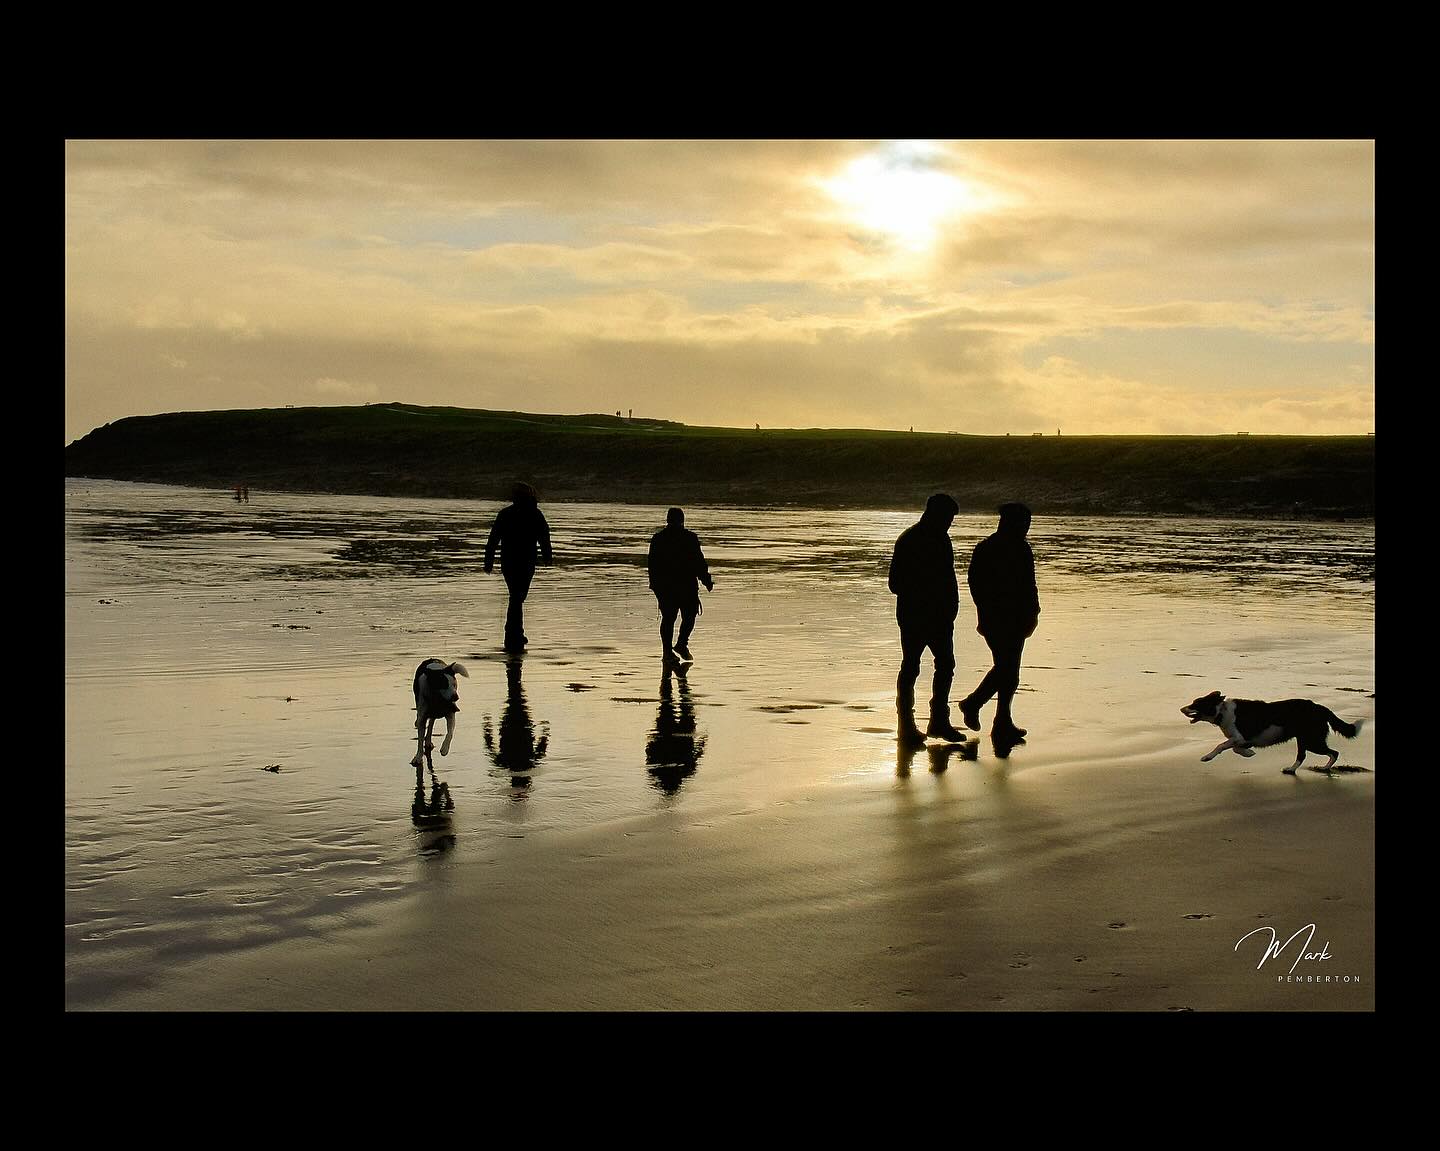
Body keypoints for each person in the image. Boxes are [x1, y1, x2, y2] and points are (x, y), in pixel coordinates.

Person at [889, 493, 967, 745]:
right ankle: (907, 724)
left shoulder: (940, 539)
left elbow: (948, 578)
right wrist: (925, 592)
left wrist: (951, 606)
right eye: (947, 518)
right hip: (915, 615)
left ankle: (937, 721)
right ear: (934, 513)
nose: (948, 524)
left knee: (944, 664)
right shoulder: (910, 540)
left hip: (939, 616)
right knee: (912, 666)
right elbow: (895, 583)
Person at [958, 502, 1040, 742]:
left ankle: (1000, 720)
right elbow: (977, 585)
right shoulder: (993, 548)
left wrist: (1033, 612)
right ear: (1009, 522)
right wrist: (987, 611)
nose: (1026, 528)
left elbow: (1029, 586)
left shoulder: (1014, 548)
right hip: (1000, 618)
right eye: (1024, 523)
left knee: (1009, 670)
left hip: (1014, 618)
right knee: (1007, 669)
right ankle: (975, 705)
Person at [484, 482, 552, 652]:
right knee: (517, 596)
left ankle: (513, 632)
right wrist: (547, 557)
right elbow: (544, 537)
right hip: (526, 561)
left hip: (510, 561)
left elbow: (493, 540)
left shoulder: (506, 514)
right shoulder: (535, 514)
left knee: (517, 596)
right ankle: (514, 632)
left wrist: (489, 561)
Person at [647, 507, 714, 663]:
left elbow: (652, 565)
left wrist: (655, 585)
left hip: (670, 586)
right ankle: (677, 646)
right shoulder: (689, 538)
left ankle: (673, 649)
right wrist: (707, 580)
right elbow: (699, 562)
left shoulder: (659, 538)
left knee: (673, 618)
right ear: (682, 520)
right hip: (682, 585)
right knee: (684, 617)